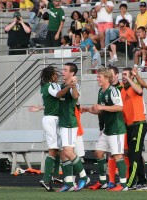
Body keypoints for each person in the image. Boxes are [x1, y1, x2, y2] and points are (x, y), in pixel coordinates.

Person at [84, 67, 128, 191]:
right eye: (97, 77)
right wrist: (88, 110)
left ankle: (123, 185)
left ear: (107, 78)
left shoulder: (113, 91)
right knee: (98, 153)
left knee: (118, 155)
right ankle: (103, 181)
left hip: (117, 129)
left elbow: (119, 107)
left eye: (99, 77)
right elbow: (101, 110)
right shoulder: (100, 91)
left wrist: (102, 108)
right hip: (107, 129)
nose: (97, 79)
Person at [57, 62, 89, 192]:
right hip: (62, 123)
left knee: (69, 152)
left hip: (70, 123)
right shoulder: (62, 86)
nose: (62, 72)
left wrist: (73, 86)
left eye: (65, 70)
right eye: (63, 69)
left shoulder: (75, 86)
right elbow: (58, 95)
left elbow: (75, 96)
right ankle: (69, 182)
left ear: (72, 73)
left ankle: (84, 177)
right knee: (63, 154)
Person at [29, 66, 61, 192]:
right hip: (51, 120)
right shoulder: (51, 86)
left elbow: (50, 101)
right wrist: (69, 86)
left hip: (51, 118)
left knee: (57, 148)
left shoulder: (45, 87)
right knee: (53, 149)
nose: (57, 76)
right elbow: (58, 95)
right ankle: (46, 179)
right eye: (55, 74)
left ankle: (55, 176)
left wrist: (40, 108)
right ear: (51, 76)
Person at [121, 67, 147, 190]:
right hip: (129, 125)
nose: (123, 77)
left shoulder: (135, 86)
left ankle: (130, 182)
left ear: (131, 76)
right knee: (134, 154)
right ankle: (142, 182)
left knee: (134, 154)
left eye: (126, 74)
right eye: (122, 75)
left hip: (139, 123)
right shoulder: (122, 90)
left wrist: (131, 78)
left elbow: (140, 91)